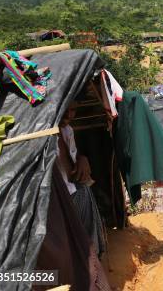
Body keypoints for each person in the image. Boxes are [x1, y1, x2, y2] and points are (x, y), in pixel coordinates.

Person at [57, 104, 107, 256]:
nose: (69, 115)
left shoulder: (67, 131)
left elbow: (71, 164)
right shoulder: (41, 135)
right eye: (65, 109)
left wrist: (80, 158)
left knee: (88, 245)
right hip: (58, 201)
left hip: (75, 192)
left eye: (72, 109)